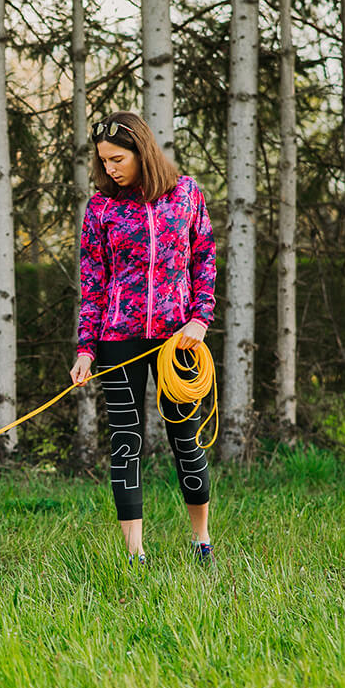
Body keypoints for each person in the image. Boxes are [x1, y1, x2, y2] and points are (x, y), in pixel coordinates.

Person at [69, 111, 216, 566]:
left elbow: (204, 258)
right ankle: (135, 554)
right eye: (103, 161)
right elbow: (92, 281)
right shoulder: (101, 208)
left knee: (185, 438)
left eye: (118, 158)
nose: (109, 168)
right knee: (126, 441)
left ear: (142, 151)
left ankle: (201, 542)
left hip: (180, 341)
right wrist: (85, 348)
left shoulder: (186, 195)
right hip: (117, 339)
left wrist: (200, 319)